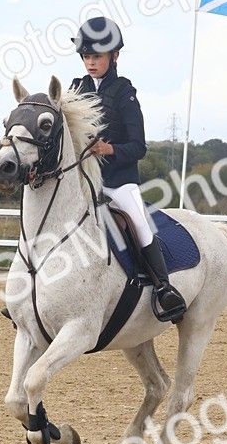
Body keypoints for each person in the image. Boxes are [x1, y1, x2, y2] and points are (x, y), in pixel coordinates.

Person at [70, 16, 187, 322]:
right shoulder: (75, 88)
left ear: (115, 56)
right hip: (83, 179)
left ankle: (164, 288)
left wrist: (110, 149)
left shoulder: (124, 92)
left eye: (96, 57)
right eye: (86, 57)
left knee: (139, 222)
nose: (90, 63)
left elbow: (139, 146)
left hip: (118, 181)